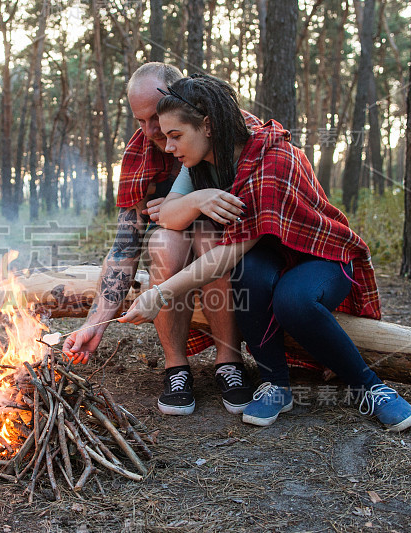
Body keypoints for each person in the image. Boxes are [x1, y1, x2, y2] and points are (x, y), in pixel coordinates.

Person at [119, 74, 411, 432]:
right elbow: (168, 214)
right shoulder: (199, 161)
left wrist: (158, 294)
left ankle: (370, 387)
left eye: (175, 136)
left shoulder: (271, 160)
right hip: (269, 255)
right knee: (249, 276)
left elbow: (228, 254)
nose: (167, 148)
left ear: (208, 125)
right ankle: (276, 383)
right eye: (166, 137)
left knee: (291, 299)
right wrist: (198, 199)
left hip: (317, 254)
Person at [62, 63, 262, 416]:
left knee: (206, 234)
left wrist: (194, 204)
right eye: (139, 121)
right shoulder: (139, 152)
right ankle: (176, 367)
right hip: (175, 250)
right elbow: (125, 247)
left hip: (239, 247)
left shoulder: (229, 125)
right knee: (163, 244)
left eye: (155, 117)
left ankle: (228, 361)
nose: (151, 131)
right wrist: (95, 325)